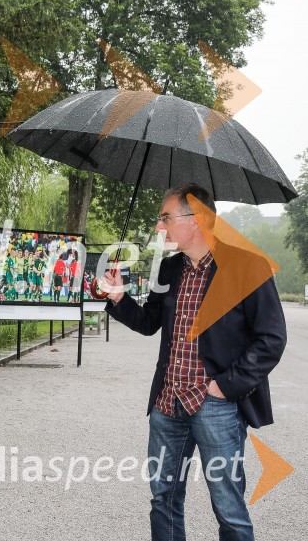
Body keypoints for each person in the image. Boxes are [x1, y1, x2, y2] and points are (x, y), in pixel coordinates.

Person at [102, 184, 286, 541]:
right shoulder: (169, 269)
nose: (159, 227)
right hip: (168, 404)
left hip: (216, 407)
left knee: (229, 509)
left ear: (198, 219)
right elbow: (149, 323)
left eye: (165, 218)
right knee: (163, 499)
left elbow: (272, 339)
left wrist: (223, 388)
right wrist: (120, 298)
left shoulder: (248, 266)